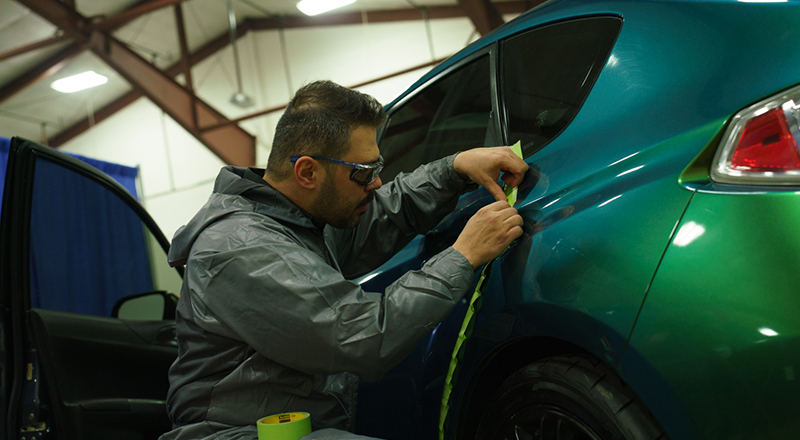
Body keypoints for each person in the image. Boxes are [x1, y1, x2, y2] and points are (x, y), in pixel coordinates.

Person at [160, 80, 527, 440]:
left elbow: (387, 215)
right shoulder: (240, 249)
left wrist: (455, 167)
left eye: (378, 167)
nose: (378, 183)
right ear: (307, 172)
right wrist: (462, 256)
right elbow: (365, 336)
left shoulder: (297, 220)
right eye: (363, 173)